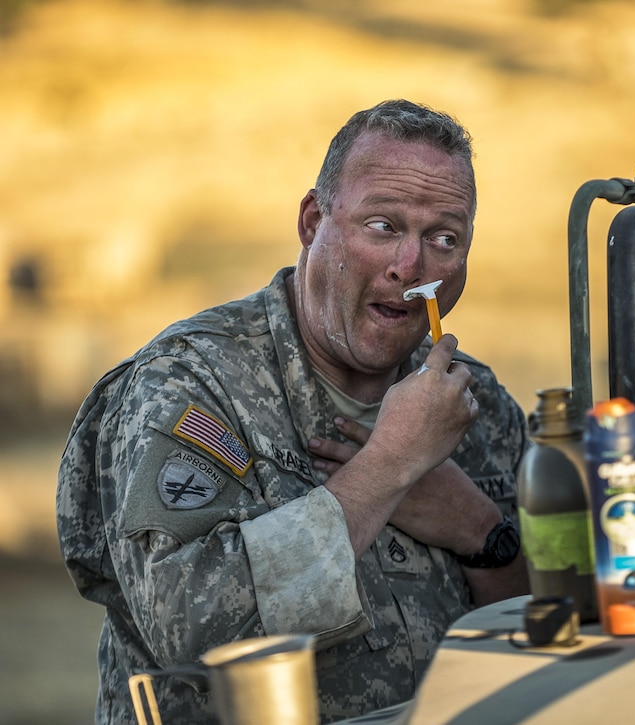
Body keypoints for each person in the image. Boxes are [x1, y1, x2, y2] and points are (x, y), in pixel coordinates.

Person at [56, 99, 530, 724]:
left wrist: (481, 534)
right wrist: (389, 466)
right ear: (313, 221)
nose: (412, 269)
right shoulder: (190, 383)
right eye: (383, 226)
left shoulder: (479, 406)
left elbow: (560, 628)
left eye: (444, 238)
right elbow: (195, 636)